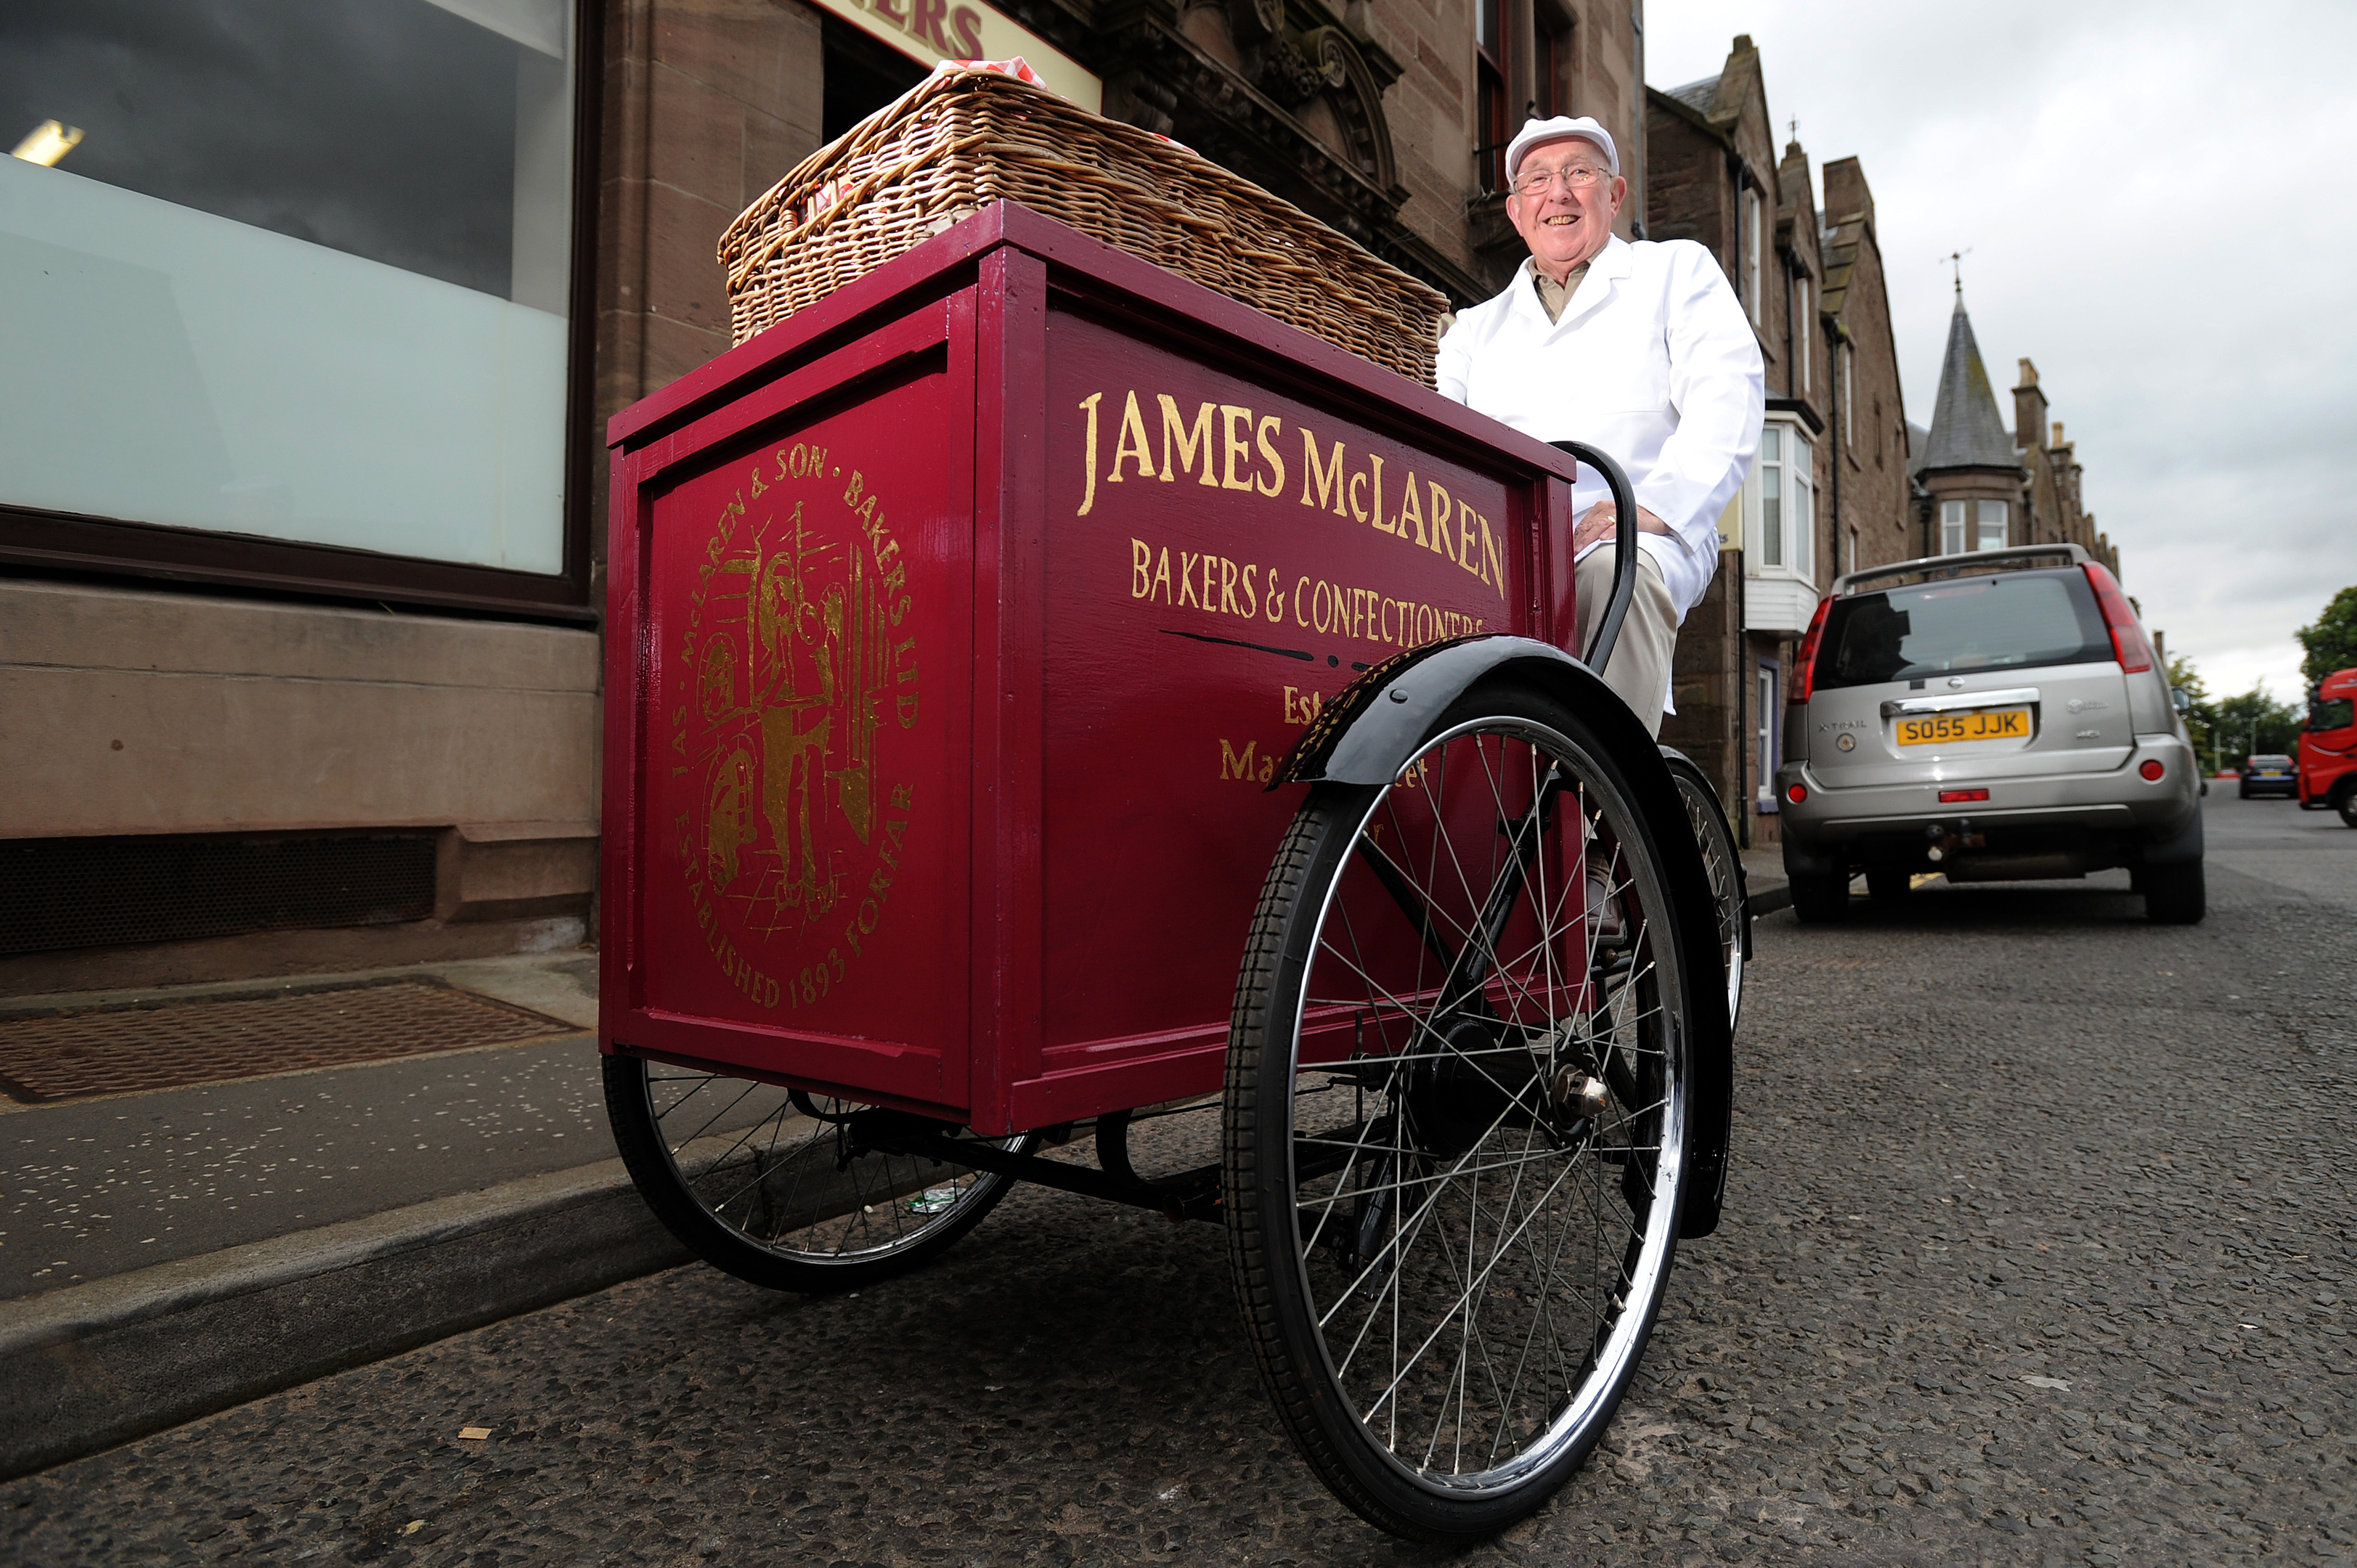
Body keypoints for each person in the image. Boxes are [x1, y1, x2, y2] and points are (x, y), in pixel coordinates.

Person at [1437, 115, 1765, 738]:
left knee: (1615, 573)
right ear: (1514, 211)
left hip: (1645, 527)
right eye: (1537, 179)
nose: (1557, 192)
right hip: (1506, 545)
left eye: (1578, 173)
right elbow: (1441, 442)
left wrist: (1640, 511)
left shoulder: (1676, 272)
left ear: (1614, 196)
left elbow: (1729, 398)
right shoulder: (1472, 332)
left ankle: (1601, 815)